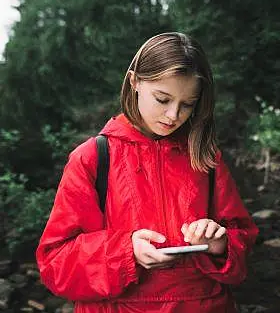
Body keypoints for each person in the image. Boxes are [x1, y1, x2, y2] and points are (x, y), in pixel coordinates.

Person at [36, 32, 258, 313]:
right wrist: (126, 252)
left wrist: (220, 244)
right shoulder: (92, 157)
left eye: (187, 104)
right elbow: (55, 263)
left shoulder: (205, 157)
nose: (173, 116)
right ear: (135, 82)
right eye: (162, 99)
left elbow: (244, 242)